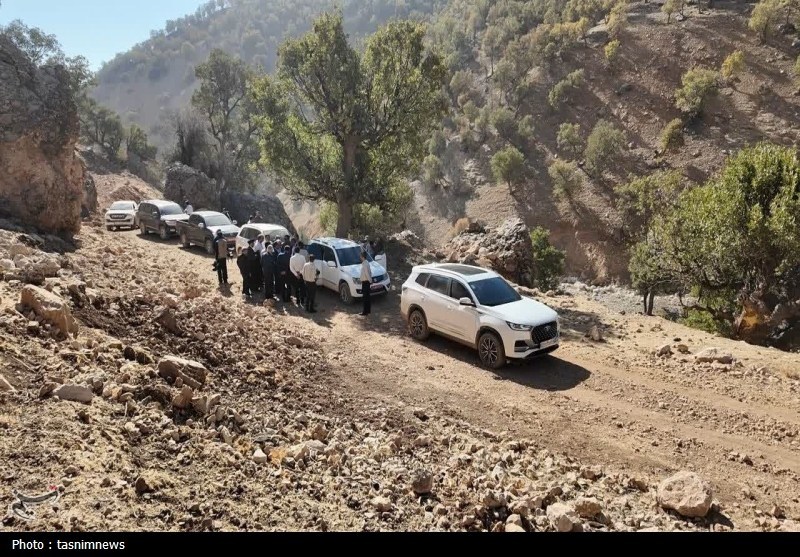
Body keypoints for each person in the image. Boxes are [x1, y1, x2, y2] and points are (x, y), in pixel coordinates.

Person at [359, 250, 372, 316]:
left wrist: (370, 281)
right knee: (367, 297)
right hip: (366, 282)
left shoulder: (364, 264)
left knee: (365, 297)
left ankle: (365, 312)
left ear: (362, 257)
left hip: (365, 282)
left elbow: (367, 273)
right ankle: (368, 311)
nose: (360, 257)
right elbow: (369, 272)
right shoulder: (366, 262)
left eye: (360, 256)